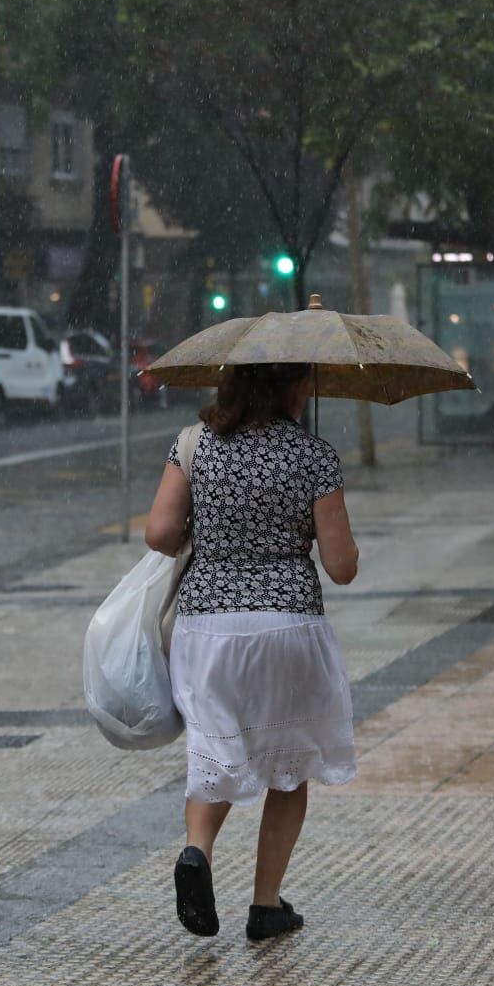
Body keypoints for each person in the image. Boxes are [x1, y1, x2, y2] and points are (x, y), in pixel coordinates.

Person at [144, 362, 360, 943]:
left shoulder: (193, 445)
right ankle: (266, 906)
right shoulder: (314, 455)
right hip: (288, 625)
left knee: (215, 746)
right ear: (291, 386)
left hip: (208, 625)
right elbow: (341, 568)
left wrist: (213, 530)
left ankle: (197, 852)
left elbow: (159, 533)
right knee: (289, 763)